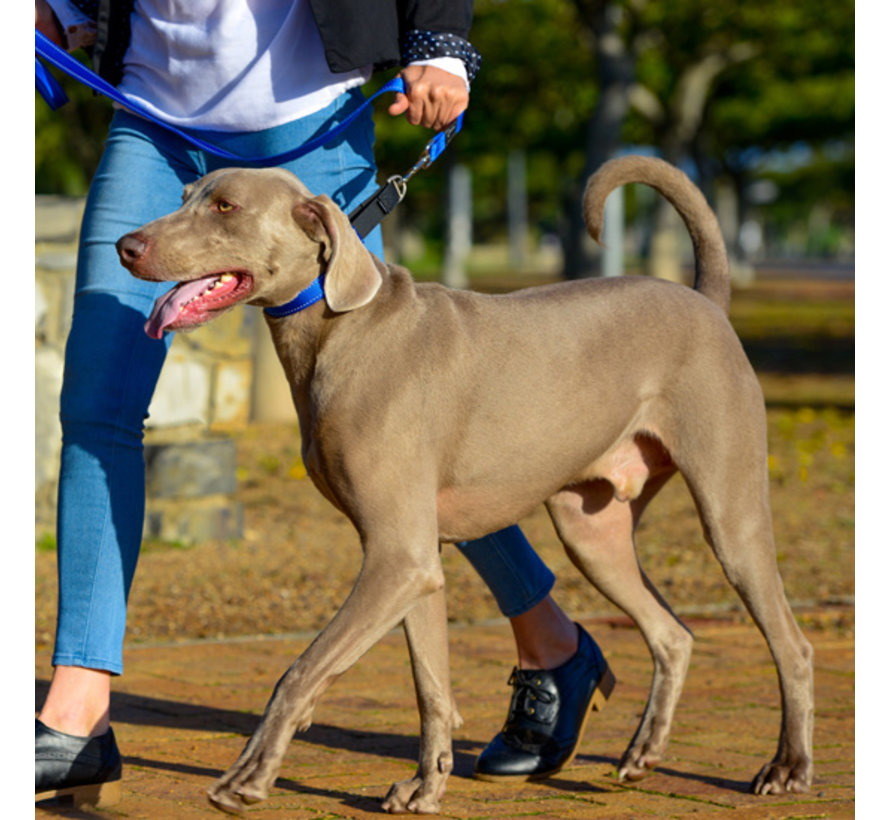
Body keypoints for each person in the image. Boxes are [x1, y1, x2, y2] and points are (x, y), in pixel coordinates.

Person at [35, 0, 613, 806]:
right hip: (153, 114)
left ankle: (551, 641)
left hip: (310, 119)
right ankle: (78, 712)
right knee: (96, 403)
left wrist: (442, 45)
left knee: (404, 427)